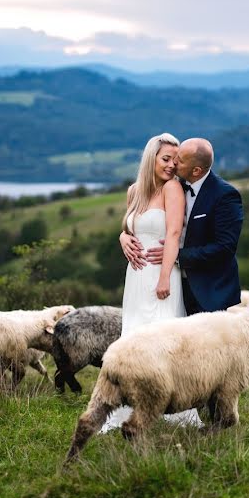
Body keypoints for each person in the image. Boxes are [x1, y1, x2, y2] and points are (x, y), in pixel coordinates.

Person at [101, 132, 201, 433]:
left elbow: (172, 234)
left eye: (176, 160)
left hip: (162, 273)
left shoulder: (173, 188)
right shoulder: (134, 191)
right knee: (132, 339)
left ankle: (173, 414)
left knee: (163, 340)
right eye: (166, 159)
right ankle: (129, 411)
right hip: (135, 278)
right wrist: (122, 238)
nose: (172, 166)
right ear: (151, 159)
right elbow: (128, 227)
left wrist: (164, 277)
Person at [121, 137, 243, 315]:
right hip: (169, 280)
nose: (174, 163)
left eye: (179, 160)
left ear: (196, 170)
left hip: (208, 289)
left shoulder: (225, 195)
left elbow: (225, 248)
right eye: (170, 158)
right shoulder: (174, 184)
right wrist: (124, 236)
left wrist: (178, 256)